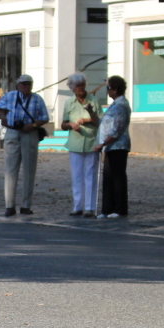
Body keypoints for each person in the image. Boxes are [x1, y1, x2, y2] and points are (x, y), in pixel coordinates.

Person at [0, 73, 49, 217]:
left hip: (29, 133)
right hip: (12, 132)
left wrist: (33, 125)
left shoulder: (37, 99)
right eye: (23, 84)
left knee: (29, 170)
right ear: (18, 85)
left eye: (28, 84)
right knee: (10, 170)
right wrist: (3, 117)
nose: (26, 86)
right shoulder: (10, 96)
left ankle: (26, 205)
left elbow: (45, 117)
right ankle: (9, 205)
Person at [61, 72, 101, 217]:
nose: (81, 88)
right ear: (72, 88)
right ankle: (77, 206)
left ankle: (90, 207)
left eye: (83, 85)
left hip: (91, 142)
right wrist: (71, 124)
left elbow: (99, 122)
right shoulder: (69, 103)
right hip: (75, 143)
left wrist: (88, 119)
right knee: (77, 176)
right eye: (78, 86)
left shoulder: (94, 101)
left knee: (90, 175)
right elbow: (63, 124)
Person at [94, 75, 132, 218]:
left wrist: (102, 143)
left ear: (115, 90)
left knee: (117, 177)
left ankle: (120, 209)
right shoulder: (114, 105)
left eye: (108, 88)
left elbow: (116, 129)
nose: (107, 91)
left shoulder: (121, 106)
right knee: (108, 177)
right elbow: (103, 123)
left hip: (118, 146)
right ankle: (107, 209)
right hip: (110, 147)